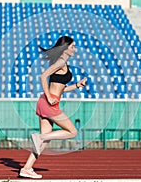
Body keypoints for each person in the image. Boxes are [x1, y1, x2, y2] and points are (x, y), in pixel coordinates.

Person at [19, 36, 87, 179]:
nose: (75, 49)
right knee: (72, 131)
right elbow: (43, 76)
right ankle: (39, 137)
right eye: (73, 46)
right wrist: (49, 96)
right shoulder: (61, 61)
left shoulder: (62, 62)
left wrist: (76, 86)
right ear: (65, 47)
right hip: (50, 102)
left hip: (46, 102)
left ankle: (26, 168)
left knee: (43, 141)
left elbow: (60, 88)